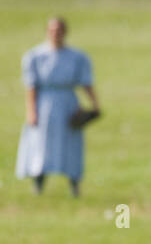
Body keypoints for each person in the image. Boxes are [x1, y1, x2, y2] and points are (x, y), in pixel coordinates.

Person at [15, 16, 100, 197]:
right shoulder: (35, 56)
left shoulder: (77, 57)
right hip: (44, 104)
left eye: (59, 31)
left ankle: (74, 185)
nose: (55, 35)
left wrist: (95, 104)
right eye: (52, 31)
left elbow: (86, 82)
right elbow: (30, 86)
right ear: (47, 32)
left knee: (71, 144)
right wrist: (31, 111)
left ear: (65, 33)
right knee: (41, 144)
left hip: (68, 103)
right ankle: (38, 183)